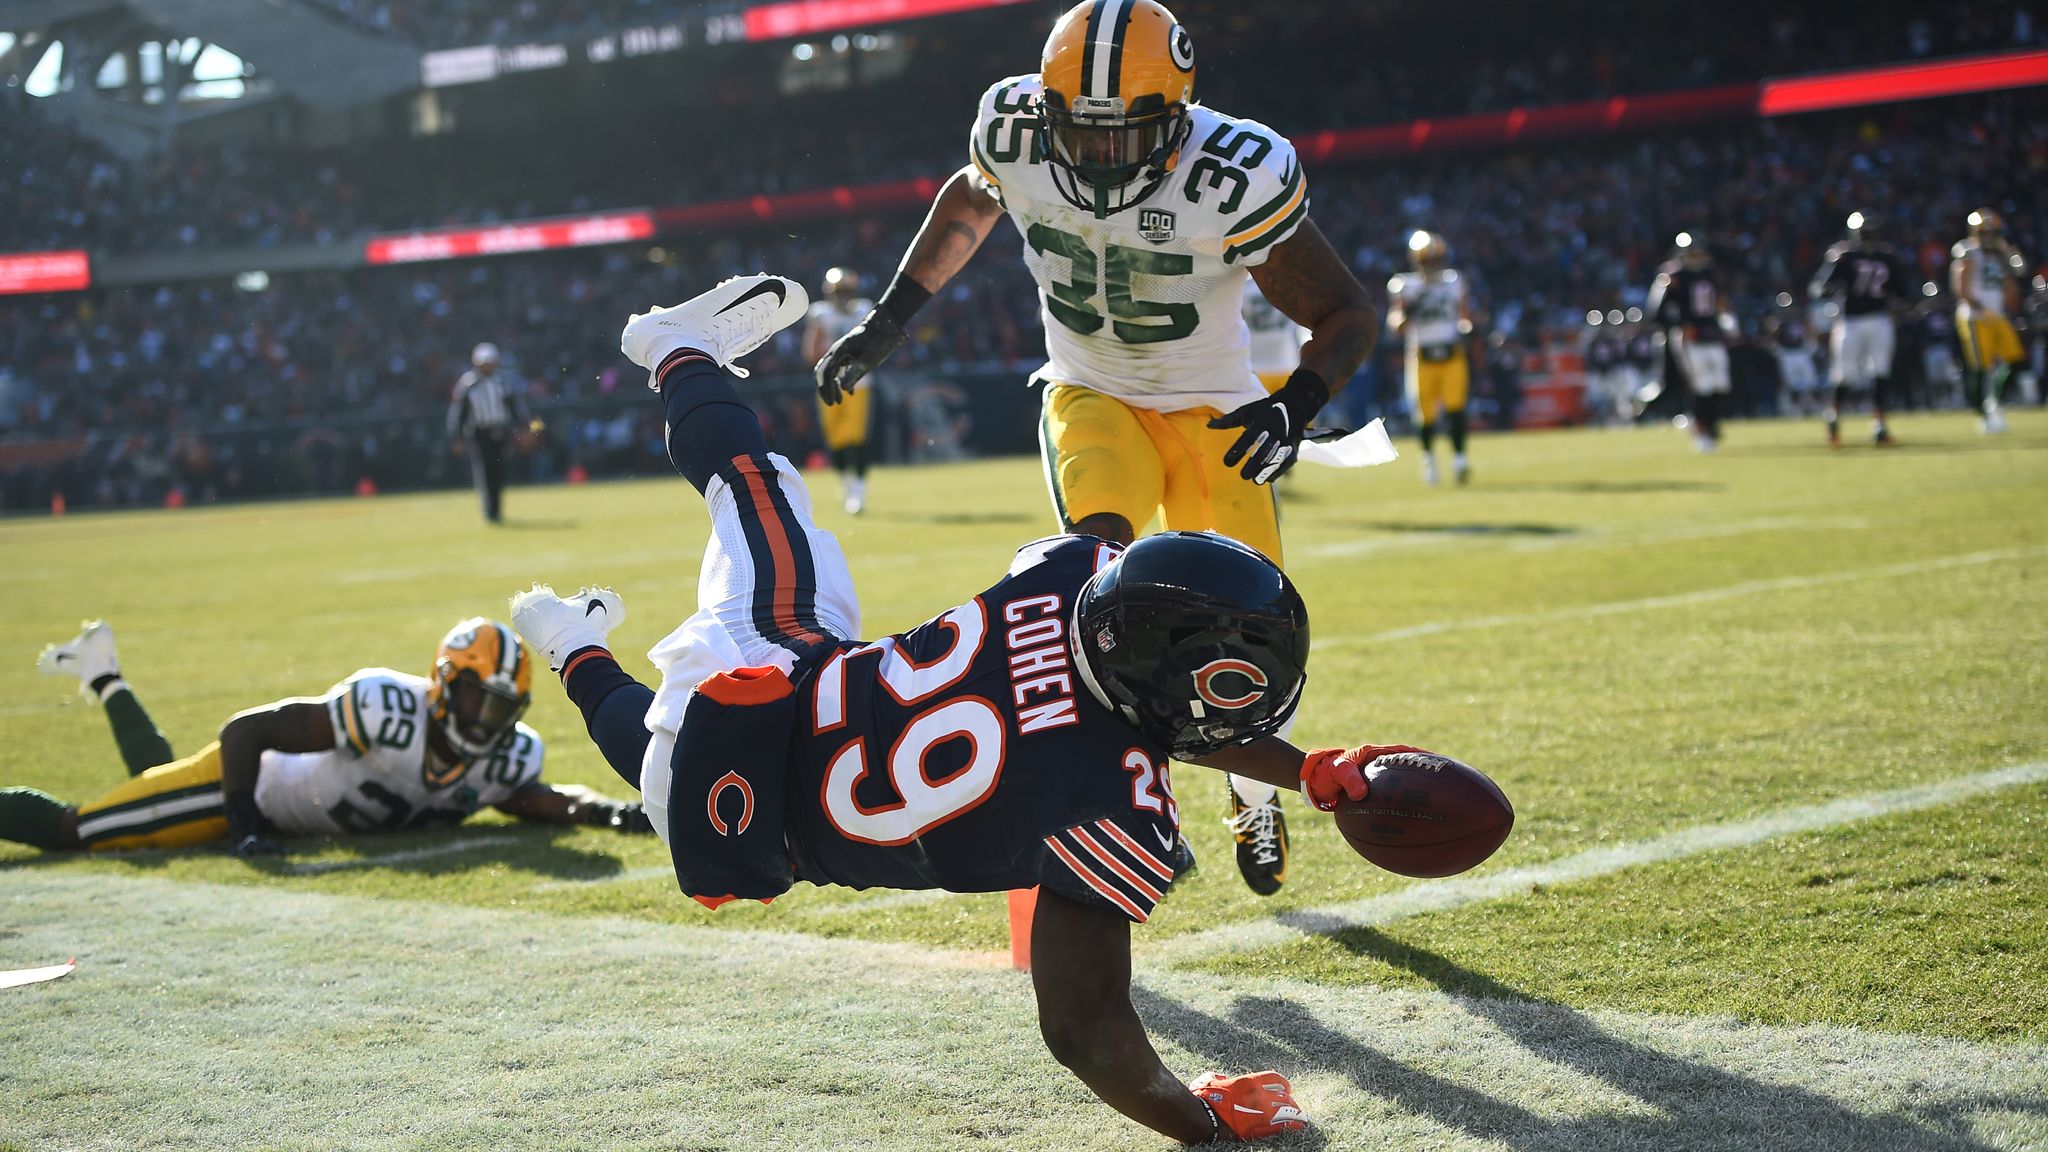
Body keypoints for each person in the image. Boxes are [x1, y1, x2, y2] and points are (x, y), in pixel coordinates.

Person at [519, 273, 1429, 1143]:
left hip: (759, 692)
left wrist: (1305, 768)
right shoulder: (1112, 810)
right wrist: (1205, 1127)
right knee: (665, 748)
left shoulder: (1064, 576)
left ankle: (681, 369)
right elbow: (1083, 1029)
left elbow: (1117, 705)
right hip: (729, 828)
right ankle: (582, 607)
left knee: (766, 495)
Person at [812, 0, 1380, 897]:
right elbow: (972, 193)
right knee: (1098, 597)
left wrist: (1295, 405)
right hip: (1091, 391)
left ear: (1178, 117)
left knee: (1245, 628)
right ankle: (1123, 802)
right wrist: (890, 319)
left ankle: (1250, 789)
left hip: (1216, 415)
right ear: (1047, 112)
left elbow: (1348, 312)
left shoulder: (1232, 171)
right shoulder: (1013, 130)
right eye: (1081, 130)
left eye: (1127, 134)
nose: (1101, 153)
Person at [0, 618, 649, 856]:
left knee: (145, 789)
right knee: (75, 831)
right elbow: (243, 733)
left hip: (283, 817)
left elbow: (525, 796)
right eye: (477, 699)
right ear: (443, 686)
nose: (485, 721)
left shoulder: (507, 757)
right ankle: (102, 668)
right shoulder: (385, 708)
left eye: (499, 707)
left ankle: (102, 669)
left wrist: (600, 811)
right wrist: (243, 820)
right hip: (251, 790)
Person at [1809, 211, 1913, 447]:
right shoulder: (1848, 256)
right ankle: (1834, 420)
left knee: (1880, 372)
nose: (1868, 236)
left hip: (1876, 319)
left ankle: (1878, 425)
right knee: (1845, 373)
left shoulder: (1882, 256)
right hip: (1852, 321)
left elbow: (1902, 291)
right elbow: (1819, 286)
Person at [1389, 231, 1476, 483]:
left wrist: (1468, 327)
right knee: (1425, 413)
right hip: (1421, 355)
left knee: (1455, 407)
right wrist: (1409, 311)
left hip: (1451, 353)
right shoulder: (1405, 286)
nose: (1432, 265)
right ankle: (1429, 460)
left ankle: (1460, 459)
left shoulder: (1454, 281)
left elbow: (1465, 316)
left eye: (1435, 259)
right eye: (1427, 260)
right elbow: (1396, 325)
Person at [1646, 232, 1736, 452]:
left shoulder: (1710, 273)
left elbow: (1720, 301)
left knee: (1720, 384)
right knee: (1702, 385)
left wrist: (1727, 319)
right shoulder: (1672, 276)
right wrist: (1681, 324)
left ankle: (1711, 425)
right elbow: (1656, 312)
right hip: (1689, 338)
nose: (1696, 256)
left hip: (1712, 335)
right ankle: (1701, 430)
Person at [801, 268, 878, 514]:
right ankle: (848, 486)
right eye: (839, 292)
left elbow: (875, 347)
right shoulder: (821, 314)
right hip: (829, 382)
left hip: (858, 383)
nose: (843, 297)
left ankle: (859, 491)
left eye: (846, 291)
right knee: (836, 439)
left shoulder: (863, 310)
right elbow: (810, 354)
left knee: (856, 437)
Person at [1951, 208, 2029, 433]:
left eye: (1992, 231)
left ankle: (1994, 401)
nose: (1989, 235)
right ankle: (1983, 414)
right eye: (1984, 231)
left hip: (1998, 314)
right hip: (1975, 315)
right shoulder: (1967, 250)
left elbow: (2018, 273)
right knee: (1979, 367)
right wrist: (1978, 307)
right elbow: (1961, 285)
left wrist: (2008, 254)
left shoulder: (2001, 251)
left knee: (2015, 359)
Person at [447, 342, 540, 524]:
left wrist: (527, 426)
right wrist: (455, 436)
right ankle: (489, 510)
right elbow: (459, 413)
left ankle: (496, 509)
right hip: (478, 432)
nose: (487, 366)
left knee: (499, 470)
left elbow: (516, 407)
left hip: (500, 430)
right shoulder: (468, 384)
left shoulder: (503, 382)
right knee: (484, 469)